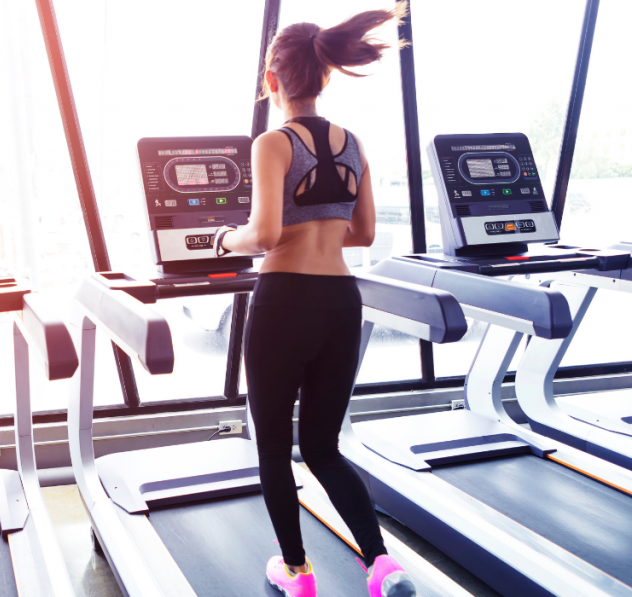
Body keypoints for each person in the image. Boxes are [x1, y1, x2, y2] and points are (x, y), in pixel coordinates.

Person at [212, 5, 414, 597]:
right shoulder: (353, 142)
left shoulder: (273, 143)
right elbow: (364, 233)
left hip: (284, 300)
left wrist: (226, 239)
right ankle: (382, 566)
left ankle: (299, 574)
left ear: (272, 82)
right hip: (339, 301)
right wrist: (322, 222)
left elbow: (266, 235)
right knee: (323, 446)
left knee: (274, 446)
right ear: (326, 76)